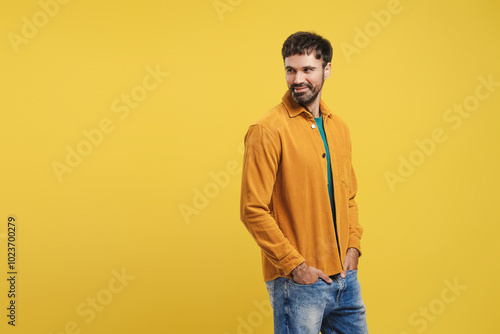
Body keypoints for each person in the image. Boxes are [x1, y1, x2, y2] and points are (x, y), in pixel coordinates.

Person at [239, 31, 368, 333]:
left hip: (346, 280)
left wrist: (353, 247)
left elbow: (348, 195)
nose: (298, 79)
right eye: (290, 69)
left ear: (327, 69)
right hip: (298, 282)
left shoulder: (339, 128)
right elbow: (252, 209)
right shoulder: (267, 130)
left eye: (307, 69)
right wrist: (296, 267)